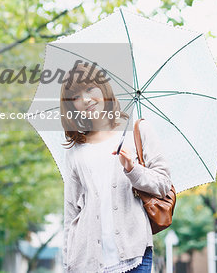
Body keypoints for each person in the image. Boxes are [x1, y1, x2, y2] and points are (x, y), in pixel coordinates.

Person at [60, 61, 172, 273]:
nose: (85, 100)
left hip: (134, 252)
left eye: (90, 88)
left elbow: (164, 184)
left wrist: (133, 170)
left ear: (103, 88)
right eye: (75, 96)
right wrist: (67, 264)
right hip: (87, 261)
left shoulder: (138, 131)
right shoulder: (75, 150)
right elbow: (70, 213)